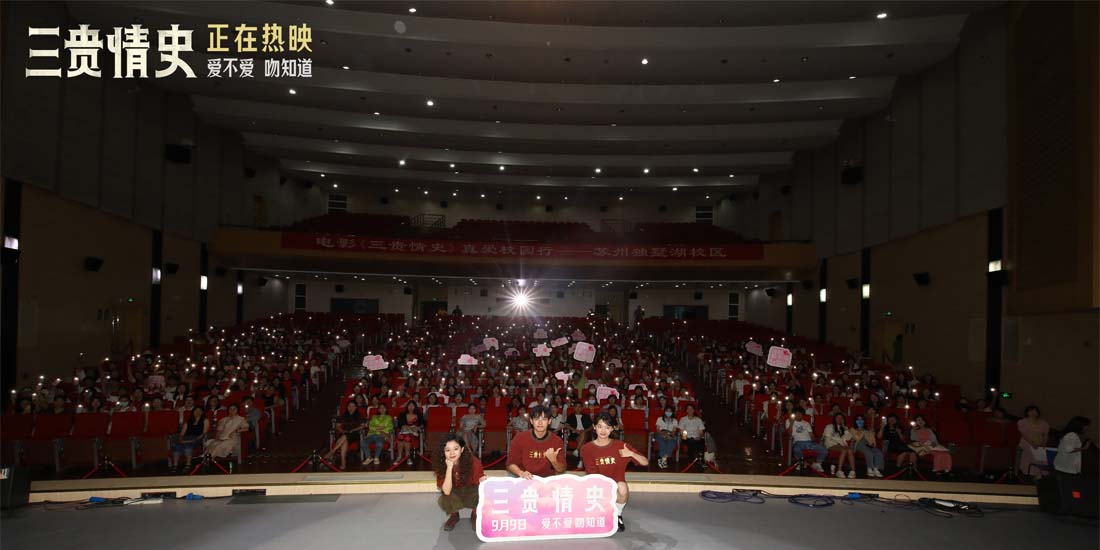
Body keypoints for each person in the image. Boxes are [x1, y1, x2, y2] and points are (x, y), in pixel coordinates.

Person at [581, 412, 649, 533]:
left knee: (622, 487)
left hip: (615, 488)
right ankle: (601, 512)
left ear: (612, 428)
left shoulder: (621, 446)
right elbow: (592, 475)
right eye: (600, 426)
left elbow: (645, 462)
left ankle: (617, 514)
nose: (603, 431)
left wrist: (631, 454)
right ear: (594, 427)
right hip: (596, 487)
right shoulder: (587, 448)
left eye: (607, 427)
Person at [433, 433, 487, 531]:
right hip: (454, 492)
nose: (452, 453)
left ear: (462, 449)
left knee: (482, 492)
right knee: (445, 498)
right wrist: (449, 467)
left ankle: (475, 515)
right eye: (447, 450)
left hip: (470, 491)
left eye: (455, 449)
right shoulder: (441, 464)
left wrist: (483, 480)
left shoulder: (473, 462)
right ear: (443, 452)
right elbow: (446, 491)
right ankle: (454, 515)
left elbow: (479, 484)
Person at [506, 404, 566, 478]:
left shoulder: (556, 441)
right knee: (511, 475)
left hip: (546, 478)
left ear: (549, 421)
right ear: (531, 421)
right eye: (537, 419)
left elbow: (561, 469)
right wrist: (521, 473)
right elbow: (510, 464)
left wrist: (554, 460)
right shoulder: (519, 438)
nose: (540, 423)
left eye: (544, 419)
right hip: (524, 476)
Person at [325, 401, 365, 470]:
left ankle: (333, 451)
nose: (351, 408)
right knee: (345, 441)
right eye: (349, 406)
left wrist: (353, 430)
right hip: (343, 433)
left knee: (345, 436)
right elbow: (337, 427)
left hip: (354, 435)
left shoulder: (359, 416)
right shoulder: (343, 416)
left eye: (353, 406)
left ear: (356, 407)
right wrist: (343, 431)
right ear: (347, 407)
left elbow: (363, 426)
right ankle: (343, 462)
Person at [1017, 405, 1050, 478]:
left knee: (1042, 454)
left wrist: (1044, 443)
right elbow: (1024, 435)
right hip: (1027, 442)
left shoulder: (1043, 423)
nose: (1033, 412)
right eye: (1031, 411)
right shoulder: (1022, 422)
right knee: (1031, 452)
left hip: (1039, 443)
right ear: (1027, 412)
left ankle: (1039, 474)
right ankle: (1029, 472)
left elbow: (1046, 435)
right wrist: (1032, 444)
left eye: (1035, 411)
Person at [171, 406, 209, 471]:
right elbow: (182, 434)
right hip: (186, 438)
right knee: (177, 446)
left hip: (198, 438)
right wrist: (181, 439)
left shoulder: (205, 420)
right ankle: (175, 465)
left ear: (202, 412)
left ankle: (188, 464)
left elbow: (204, 433)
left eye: (199, 411)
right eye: (196, 411)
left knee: (188, 446)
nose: (197, 412)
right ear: (193, 412)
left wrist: (192, 440)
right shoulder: (188, 421)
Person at [822, 413, 855, 478]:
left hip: (840, 445)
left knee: (850, 449)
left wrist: (845, 428)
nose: (839, 419)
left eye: (841, 418)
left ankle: (853, 471)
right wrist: (840, 441)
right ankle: (839, 471)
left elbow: (849, 438)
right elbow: (828, 438)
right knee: (844, 449)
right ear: (834, 419)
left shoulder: (843, 428)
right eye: (838, 417)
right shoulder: (829, 426)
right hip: (830, 444)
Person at [654, 405, 678, 469]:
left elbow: (674, 431)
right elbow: (657, 430)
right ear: (664, 412)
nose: (668, 412)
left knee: (672, 443)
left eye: (670, 411)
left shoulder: (675, 420)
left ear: (672, 412)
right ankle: (663, 460)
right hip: (660, 433)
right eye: (667, 411)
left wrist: (669, 435)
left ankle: (663, 459)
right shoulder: (659, 419)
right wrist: (663, 434)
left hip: (670, 434)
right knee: (662, 442)